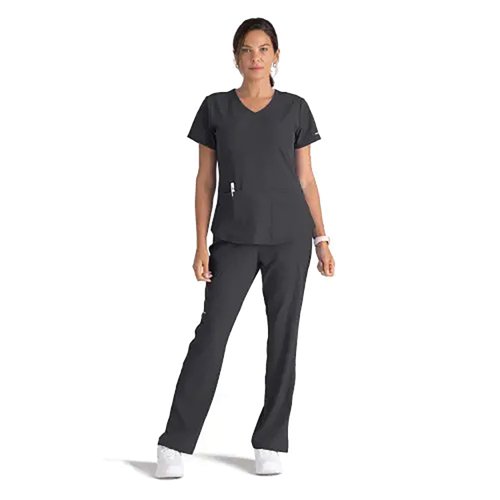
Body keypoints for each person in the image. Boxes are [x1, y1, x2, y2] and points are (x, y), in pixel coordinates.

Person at [155, 17, 335, 479]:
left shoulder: (296, 109)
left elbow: (306, 179)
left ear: (276, 56)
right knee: (211, 335)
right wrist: (200, 243)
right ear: (235, 57)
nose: (255, 57)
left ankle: (270, 442)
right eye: (247, 50)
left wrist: (321, 238)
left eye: (263, 49)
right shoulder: (215, 108)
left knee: (284, 338)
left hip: (290, 239)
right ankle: (174, 443)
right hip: (233, 239)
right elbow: (205, 180)